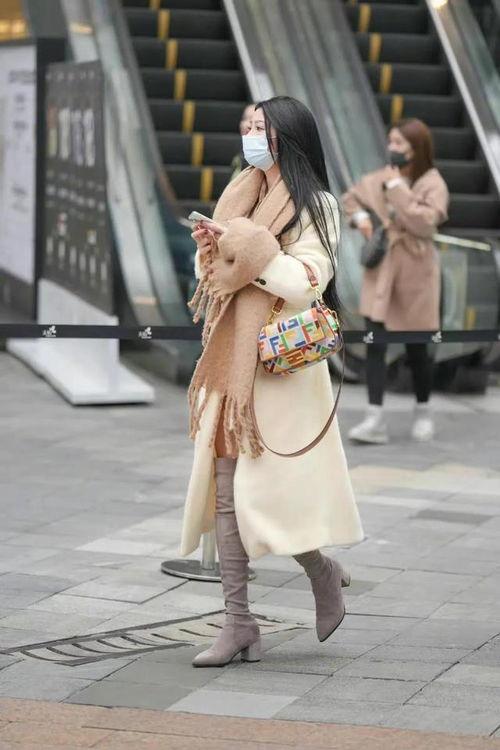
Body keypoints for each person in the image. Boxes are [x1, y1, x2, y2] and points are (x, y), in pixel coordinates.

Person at [181, 96, 364, 668]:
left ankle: (321, 571)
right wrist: (211, 250)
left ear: (288, 135)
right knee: (228, 495)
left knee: (271, 498)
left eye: (261, 127)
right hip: (231, 367)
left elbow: (307, 281)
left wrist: (250, 249)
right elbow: (215, 276)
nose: (251, 135)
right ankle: (238, 622)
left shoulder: (319, 205)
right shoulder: (241, 191)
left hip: (279, 367)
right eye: (249, 125)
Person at [342, 118, 449, 444]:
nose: (392, 148)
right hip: (382, 272)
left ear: (417, 148)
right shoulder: (382, 176)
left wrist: (397, 189)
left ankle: (423, 410)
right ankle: (374, 417)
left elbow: (425, 223)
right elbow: (351, 198)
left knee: (418, 347)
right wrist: (361, 218)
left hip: (416, 273)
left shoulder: (432, 182)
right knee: (375, 344)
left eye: (400, 143)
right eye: (391, 141)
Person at [229, 103, 255, 181]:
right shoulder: (239, 156)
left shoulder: (262, 159)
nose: (247, 125)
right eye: (244, 119)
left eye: (254, 120)